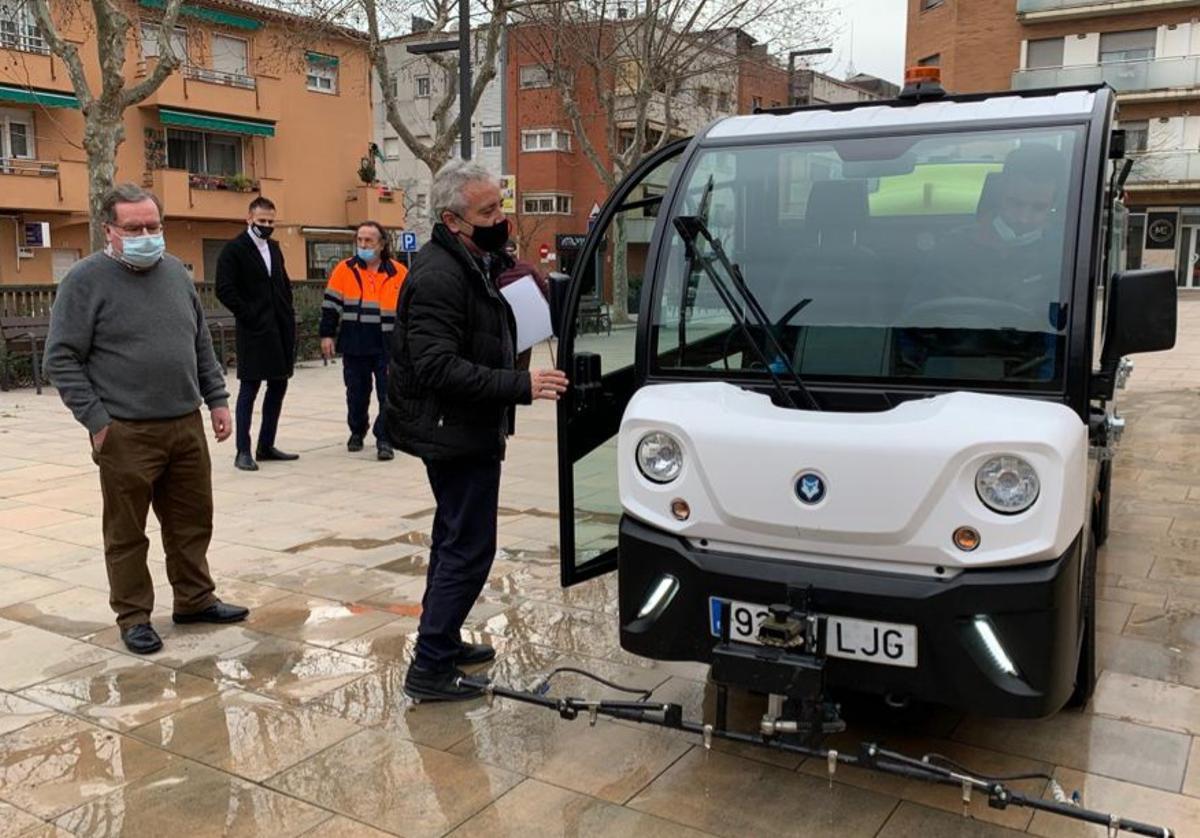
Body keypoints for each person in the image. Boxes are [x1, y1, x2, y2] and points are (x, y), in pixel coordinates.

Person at [387, 161, 569, 701]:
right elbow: (437, 366)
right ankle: (430, 669)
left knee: (453, 541)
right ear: (452, 219)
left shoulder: (473, 260)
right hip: (453, 431)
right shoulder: (440, 274)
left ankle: (439, 642)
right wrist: (521, 384)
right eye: (487, 211)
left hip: (465, 427)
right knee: (468, 548)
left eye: (499, 206)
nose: (500, 218)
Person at [43, 184, 249, 655]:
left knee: (192, 521)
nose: (146, 236)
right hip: (125, 430)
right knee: (126, 532)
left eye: (153, 227)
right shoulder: (84, 280)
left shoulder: (176, 272)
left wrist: (217, 399)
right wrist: (97, 420)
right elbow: (61, 358)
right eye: (134, 228)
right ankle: (134, 616)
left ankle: (195, 599)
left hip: (184, 422)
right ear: (110, 231)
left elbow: (199, 343)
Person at [214, 196, 298, 472]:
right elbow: (224, 289)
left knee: (278, 385)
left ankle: (266, 445)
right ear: (249, 219)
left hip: (280, 328)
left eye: (271, 221)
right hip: (254, 330)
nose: (266, 225)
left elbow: (282, 282)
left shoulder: (274, 248)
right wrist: (249, 315)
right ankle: (243, 450)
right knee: (250, 389)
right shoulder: (234, 250)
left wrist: (287, 312)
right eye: (261, 221)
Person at [319, 221, 408, 461]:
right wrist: (327, 335)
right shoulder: (344, 270)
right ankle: (357, 430)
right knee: (356, 394)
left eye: (369, 240)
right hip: (355, 342)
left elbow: (409, 311)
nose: (363, 244)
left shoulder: (399, 273)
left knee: (388, 394)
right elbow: (330, 306)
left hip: (387, 344)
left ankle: (385, 438)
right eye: (360, 240)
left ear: (381, 244)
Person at [496, 240, 551, 371]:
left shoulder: (497, 271)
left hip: (507, 323)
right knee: (524, 360)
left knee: (508, 358)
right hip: (526, 323)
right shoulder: (528, 267)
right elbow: (544, 289)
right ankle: (522, 382)